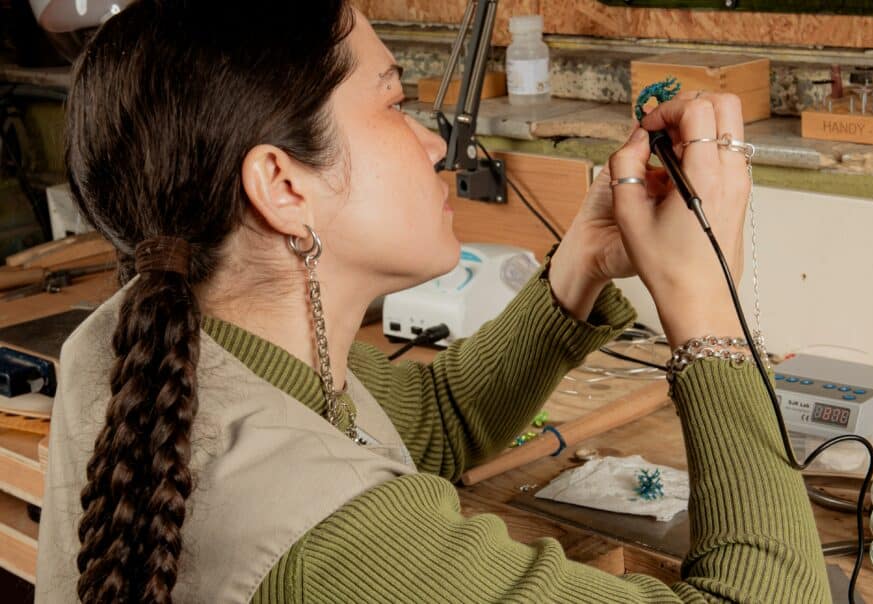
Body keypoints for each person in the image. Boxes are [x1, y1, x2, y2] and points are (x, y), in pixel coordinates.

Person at [35, 1, 829, 602]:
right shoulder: (338, 544)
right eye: (394, 104)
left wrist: (581, 265)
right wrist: (705, 309)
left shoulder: (138, 340)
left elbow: (434, 424)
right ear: (282, 184)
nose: (434, 143)